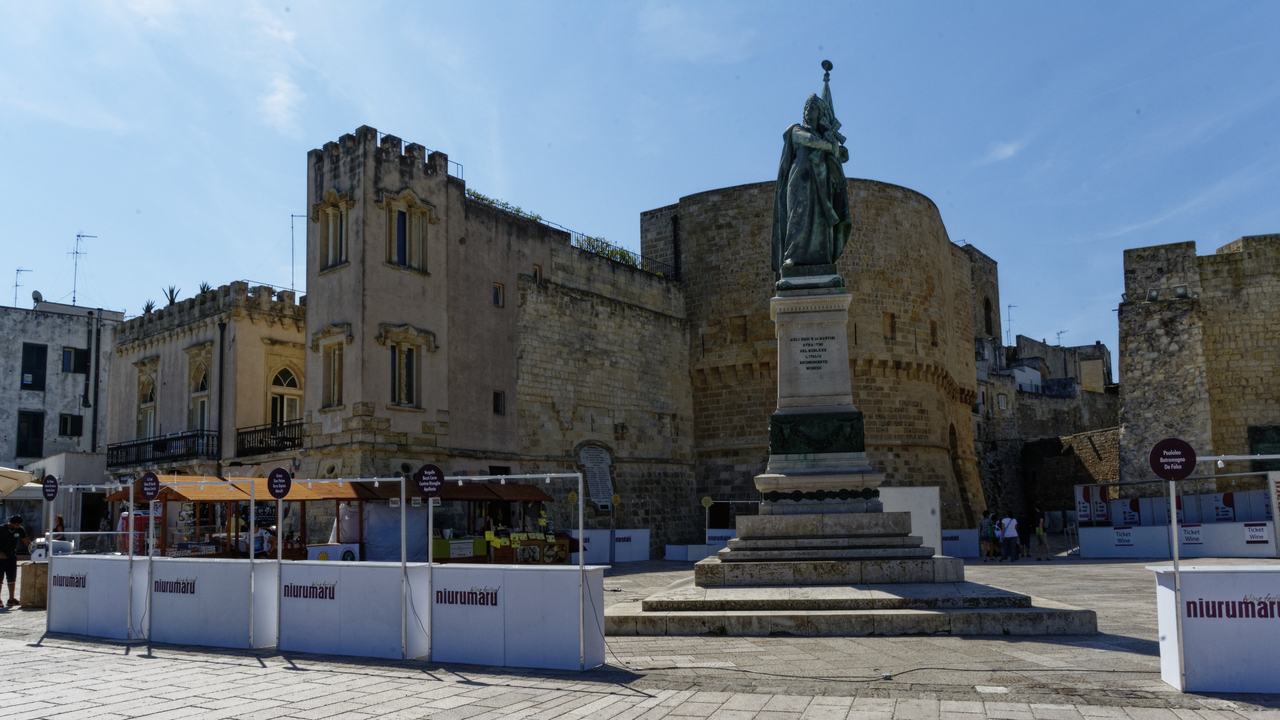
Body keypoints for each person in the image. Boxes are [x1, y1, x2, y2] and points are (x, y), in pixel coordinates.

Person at [771, 64, 852, 274]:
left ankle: (821, 257)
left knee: (819, 218)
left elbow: (841, 156)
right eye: (807, 107)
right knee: (798, 214)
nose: (809, 110)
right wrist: (828, 145)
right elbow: (806, 140)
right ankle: (791, 256)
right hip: (801, 175)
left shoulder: (825, 135)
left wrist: (836, 150)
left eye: (814, 107)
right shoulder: (797, 129)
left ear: (820, 112)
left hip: (821, 178)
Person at [1, 516, 31, 607]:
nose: (18, 526)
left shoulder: (20, 530)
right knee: (0, 578)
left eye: (19, 525)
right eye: (16, 524)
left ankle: (11, 598)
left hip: (12, 556)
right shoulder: (2, 529)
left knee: (12, 578)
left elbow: (26, 541)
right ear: (11, 522)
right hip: (1, 557)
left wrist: (34, 550)